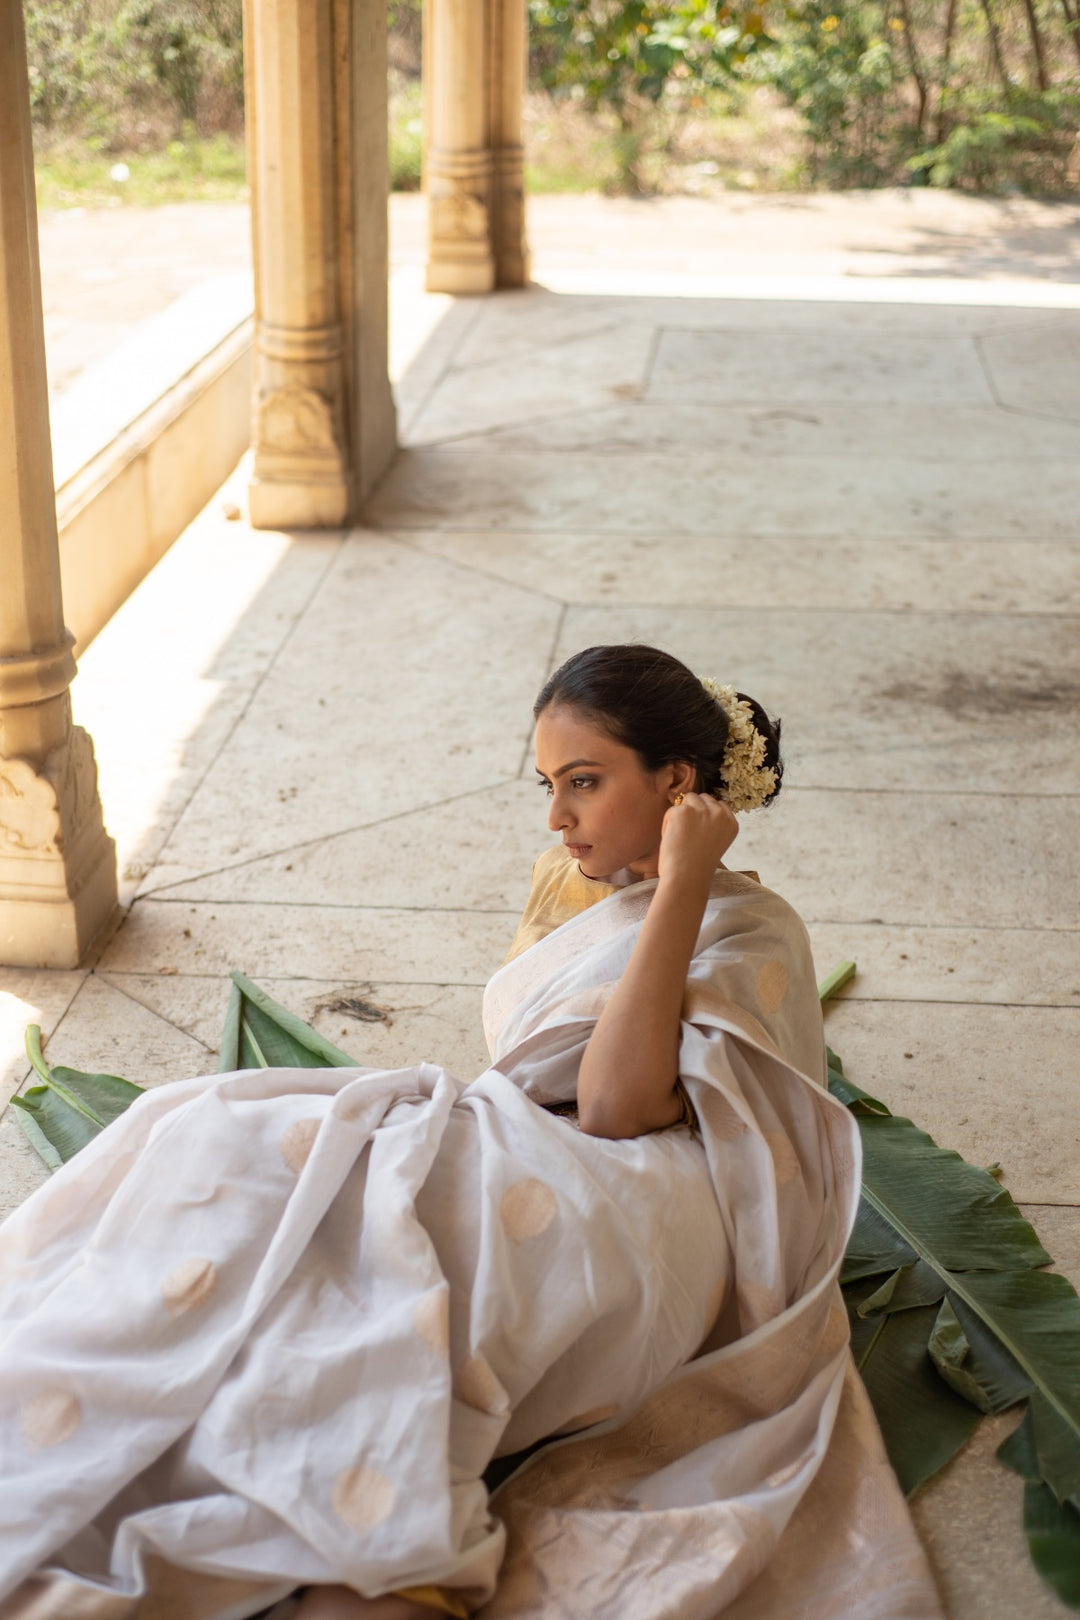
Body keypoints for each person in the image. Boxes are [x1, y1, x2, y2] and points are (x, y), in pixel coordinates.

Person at [0, 645, 941, 1620]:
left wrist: (683, 885)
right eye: (549, 784)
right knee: (217, 1140)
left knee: (340, 1231)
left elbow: (619, 1105)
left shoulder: (749, 927)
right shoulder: (581, 890)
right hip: (546, 1147)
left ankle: (356, 1505)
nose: (557, 815)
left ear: (678, 781)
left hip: (637, 1204)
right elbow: (533, 1072)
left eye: (584, 781)